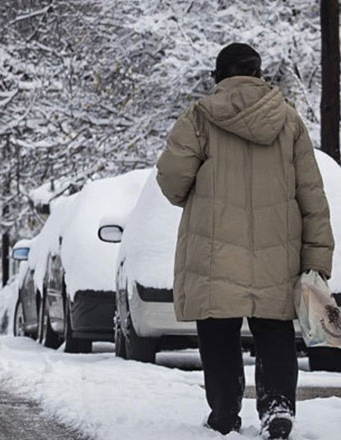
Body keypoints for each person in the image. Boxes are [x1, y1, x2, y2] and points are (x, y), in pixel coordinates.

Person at [156, 43, 334, 439]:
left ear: (218, 76)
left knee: (217, 331)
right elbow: (312, 196)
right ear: (258, 74)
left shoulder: (199, 118)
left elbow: (172, 182)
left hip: (214, 250)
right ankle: (278, 408)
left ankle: (224, 412)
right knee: (274, 330)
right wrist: (318, 259)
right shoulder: (288, 121)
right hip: (277, 252)